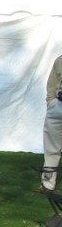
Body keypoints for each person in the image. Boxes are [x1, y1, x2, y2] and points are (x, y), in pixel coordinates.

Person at [41, 54, 62, 192]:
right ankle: (48, 184)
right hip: (58, 106)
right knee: (51, 149)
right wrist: (51, 102)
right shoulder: (60, 60)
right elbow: (51, 83)